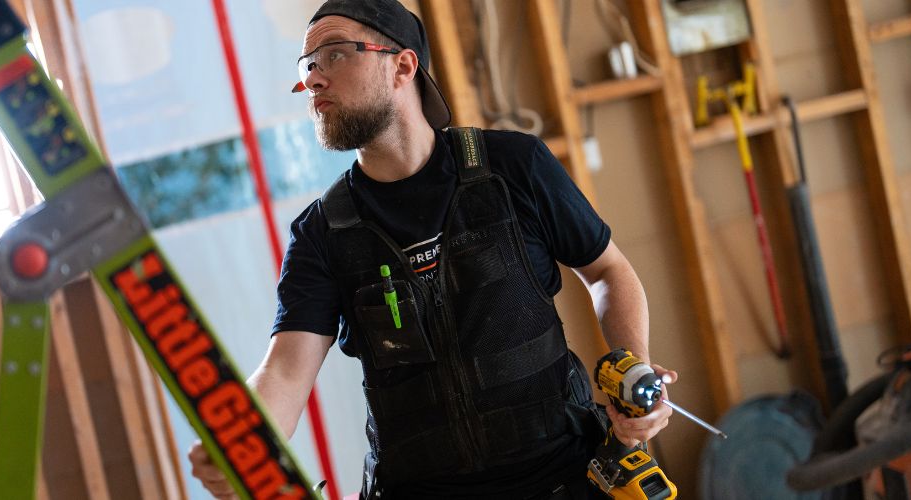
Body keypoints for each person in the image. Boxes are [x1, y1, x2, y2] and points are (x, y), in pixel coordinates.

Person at [188, 0, 678, 498]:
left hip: (564, 476)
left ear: (403, 66)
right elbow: (286, 369)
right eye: (307, 65)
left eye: (334, 54)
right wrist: (241, 435)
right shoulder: (322, 233)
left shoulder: (514, 166)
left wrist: (634, 369)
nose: (314, 79)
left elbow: (607, 271)